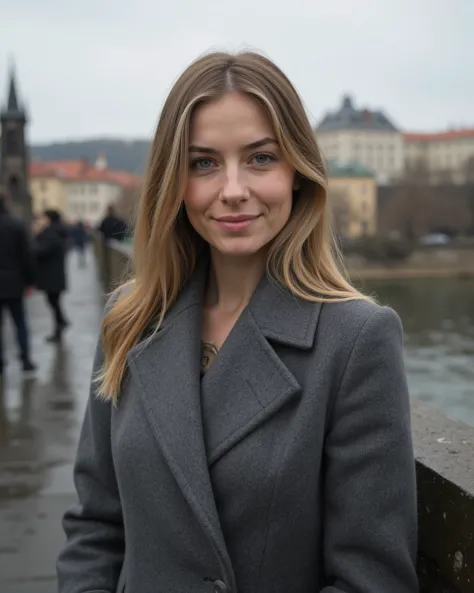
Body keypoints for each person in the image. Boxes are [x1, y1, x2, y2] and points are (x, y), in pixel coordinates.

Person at [57, 52, 418, 593]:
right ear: (174, 182)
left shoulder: (356, 340)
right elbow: (96, 527)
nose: (231, 189)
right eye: (203, 163)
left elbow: (372, 579)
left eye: (260, 158)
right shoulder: (131, 318)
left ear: (297, 172)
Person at [0, 189, 36, 377]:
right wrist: (30, 282)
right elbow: (26, 256)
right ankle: (25, 361)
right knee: (20, 323)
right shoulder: (16, 225)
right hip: (14, 283)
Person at [33, 210, 69, 343]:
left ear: (48, 219)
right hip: (54, 275)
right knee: (54, 303)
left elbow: (41, 251)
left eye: (42, 217)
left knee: (53, 302)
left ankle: (59, 329)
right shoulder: (54, 232)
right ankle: (61, 323)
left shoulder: (50, 233)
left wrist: (37, 234)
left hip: (52, 276)